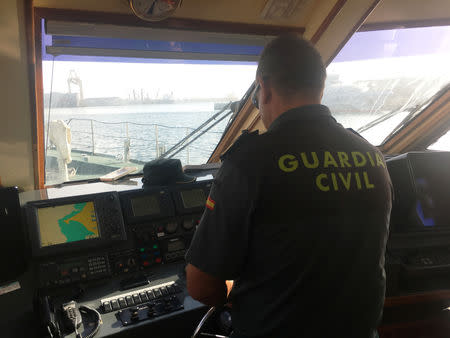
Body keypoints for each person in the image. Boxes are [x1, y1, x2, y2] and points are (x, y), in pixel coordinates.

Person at [185, 34, 393, 338]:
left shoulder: (249, 163)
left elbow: (201, 287)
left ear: (264, 89)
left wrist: (231, 287)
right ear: (320, 88)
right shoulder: (372, 157)